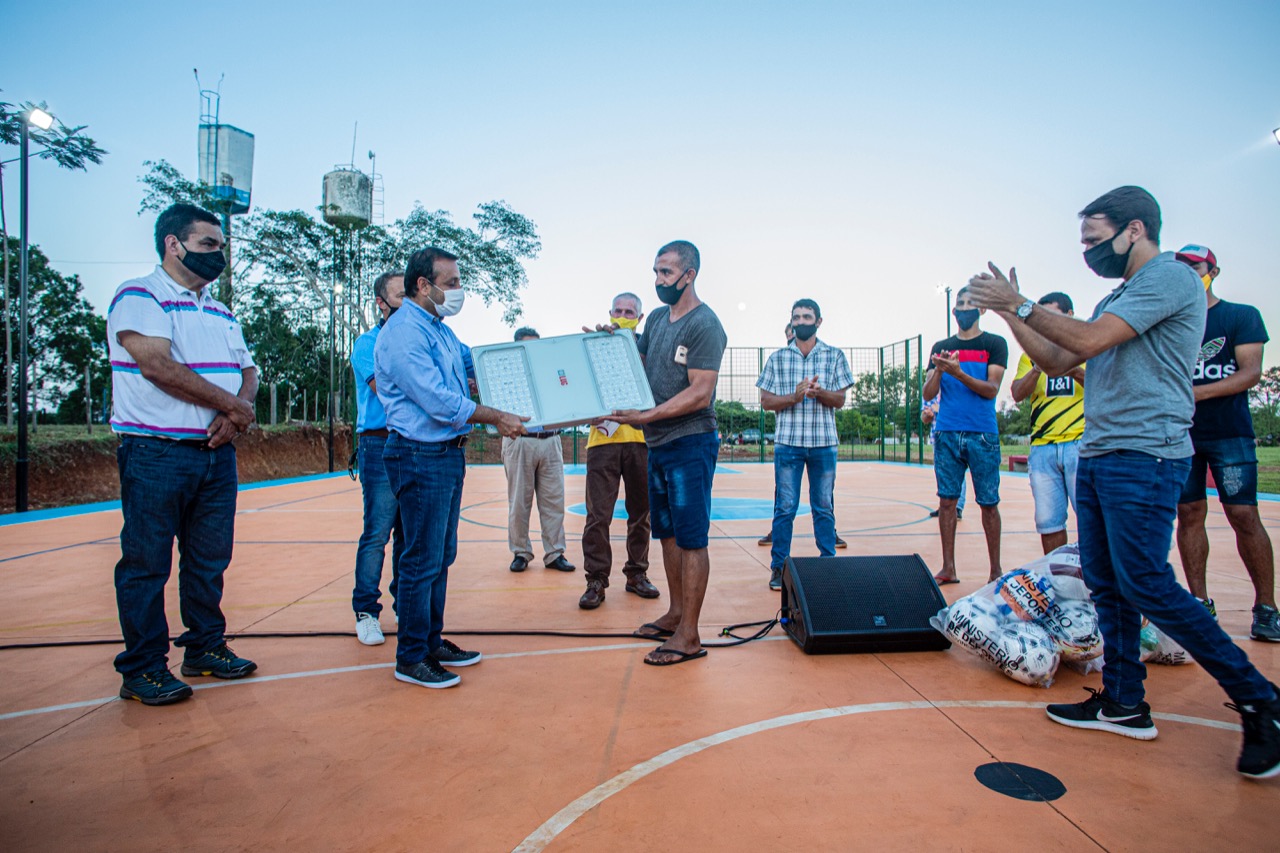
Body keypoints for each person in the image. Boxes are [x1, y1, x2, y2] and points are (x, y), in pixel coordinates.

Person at [967, 185, 1279, 779]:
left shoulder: (1169, 279)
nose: (1088, 249)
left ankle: (1262, 700)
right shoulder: (1123, 293)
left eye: (1093, 238)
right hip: (1106, 451)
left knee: (1150, 585)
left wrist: (1023, 300)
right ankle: (1123, 701)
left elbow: (1081, 340)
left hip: (1147, 455)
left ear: (1134, 229)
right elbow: (1060, 360)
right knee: (1108, 581)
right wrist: (1009, 313)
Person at [106, 203, 259, 705]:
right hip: (157, 451)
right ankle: (144, 667)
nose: (219, 254)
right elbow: (157, 366)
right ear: (174, 244)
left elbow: (249, 371)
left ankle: (204, 648)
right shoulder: (140, 295)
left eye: (221, 246)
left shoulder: (220, 309)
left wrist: (237, 412)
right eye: (208, 245)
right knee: (147, 562)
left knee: (208, 558)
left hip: (215, 454)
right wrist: (233, 407)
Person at [375, 246, 527, 689]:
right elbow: (439, 401)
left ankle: (430, 641)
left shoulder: (438, 329)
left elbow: (472, 363)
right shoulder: (404, 332)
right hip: (419, 454)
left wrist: (525, 368)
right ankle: (410, 656)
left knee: (439, 556)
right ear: (423, 285)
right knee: (420, 559)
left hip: (443, 455)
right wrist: (497, 415)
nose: (459, 291)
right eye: (452, 283)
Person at [608, 240, 727, 666]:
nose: (658, 281)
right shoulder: (657, 318)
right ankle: (676, 614)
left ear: (689, 274)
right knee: (668, 534)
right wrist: (608, 345)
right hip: (658, 442)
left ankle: (689, 635)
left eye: (665, 273)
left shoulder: (705, 324)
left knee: (692, 537)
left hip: (690, 441)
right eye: (655, 272)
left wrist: (647, 416)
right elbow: (635, 365)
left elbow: (700, 392)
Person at [1172, 245, 1278, 641]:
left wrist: (1196, 394)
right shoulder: (1175, 323)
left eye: (1194, 267)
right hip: (1182, 435)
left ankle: (1266, 607)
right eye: (1180, 266)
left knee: (1244, 515)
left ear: (1213, 271)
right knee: (1189, 514)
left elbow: (1250, 373)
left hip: (1230, 433)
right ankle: (1200, 604)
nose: (1187, 273)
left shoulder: (1239, 316)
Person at [757, 299, 854, 590]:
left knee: (823, 506)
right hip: (789, 444)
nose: (801, 320)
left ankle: (828, 563)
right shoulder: (777, 358)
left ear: (818, 321)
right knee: (785, 507)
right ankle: (779, 568)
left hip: (823, 443)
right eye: (797, 317)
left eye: (807, 316)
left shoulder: (834, 356)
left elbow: (840, 400)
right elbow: (765, 402)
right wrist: (794, 397)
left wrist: (820, 392)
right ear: (792, 322)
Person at [921, 287, 1008, 585]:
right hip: (947, 432)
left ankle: (995, 570)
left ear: (982, 310)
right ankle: (948, 567)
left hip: (982, 433)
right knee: (947, 501)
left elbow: (991, 390)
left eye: (970, 303)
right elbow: (928, 393)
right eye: (959, 304)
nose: (963, 308)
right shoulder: (942, 346)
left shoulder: (994, 344)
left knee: (988, 502)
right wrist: (940, 371)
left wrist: (958, 373)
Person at [578, 293, 659, 609]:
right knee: (598, 515)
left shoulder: (648, 349)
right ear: (609, 313)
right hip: (602, 441)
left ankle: (636, 574)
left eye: (630, 312)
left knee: (641, 514)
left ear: (640, 318)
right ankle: (595, 580)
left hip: (641, 439)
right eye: (619, 310)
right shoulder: (595, 345)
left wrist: (633, 350)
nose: (623, 315)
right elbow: (578, 388)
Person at [349, 272, 406, 645]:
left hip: (414, 442)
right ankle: (366, 610)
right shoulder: (367, 344)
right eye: (400, 295)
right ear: (380, 303)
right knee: (377, 532)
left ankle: (407, 603)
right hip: (378, 443)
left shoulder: (425, 342)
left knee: (411, 532)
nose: (409, 301)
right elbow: (385, 389)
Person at [1010, 292, 1085, 555]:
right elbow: (1017, 393)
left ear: (1069, 316)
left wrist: (1072, 368)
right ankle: (1058, 580)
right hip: (1043, 447)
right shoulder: (1030, 355)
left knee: (1091, 519)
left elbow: (1102, 386)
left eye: (1052, 315)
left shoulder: (1085, 348)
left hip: (1081, 443)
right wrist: (1039, 366)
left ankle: (1096, 583)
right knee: (1048, 522)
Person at [503, 327, 574, 574]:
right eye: (527, 345)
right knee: (519, 503)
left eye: (536, 345)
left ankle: (555, 553)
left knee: (554, 501)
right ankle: (520, 552)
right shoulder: (507, 375)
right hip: (520, 440)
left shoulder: (551, 373)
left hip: (551, 440)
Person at [924, 394, 967, 520]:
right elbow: (924, 418)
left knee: (957, 473)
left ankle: (957, 507)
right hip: (938, 438)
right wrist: (927, 415)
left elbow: (963, 409)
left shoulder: (956, 384)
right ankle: (945, 506)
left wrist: (940, 409)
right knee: (942, 473)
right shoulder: (931, 390)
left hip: (957, 435)